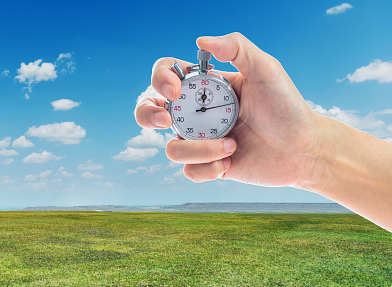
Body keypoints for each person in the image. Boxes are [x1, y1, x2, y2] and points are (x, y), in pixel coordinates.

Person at [135, 32, 392, 232]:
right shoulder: (191, 92)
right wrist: (309, 154)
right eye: (195, 105)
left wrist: (310, 150)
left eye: (208, 103)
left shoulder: (225, 93)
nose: (202, 107)